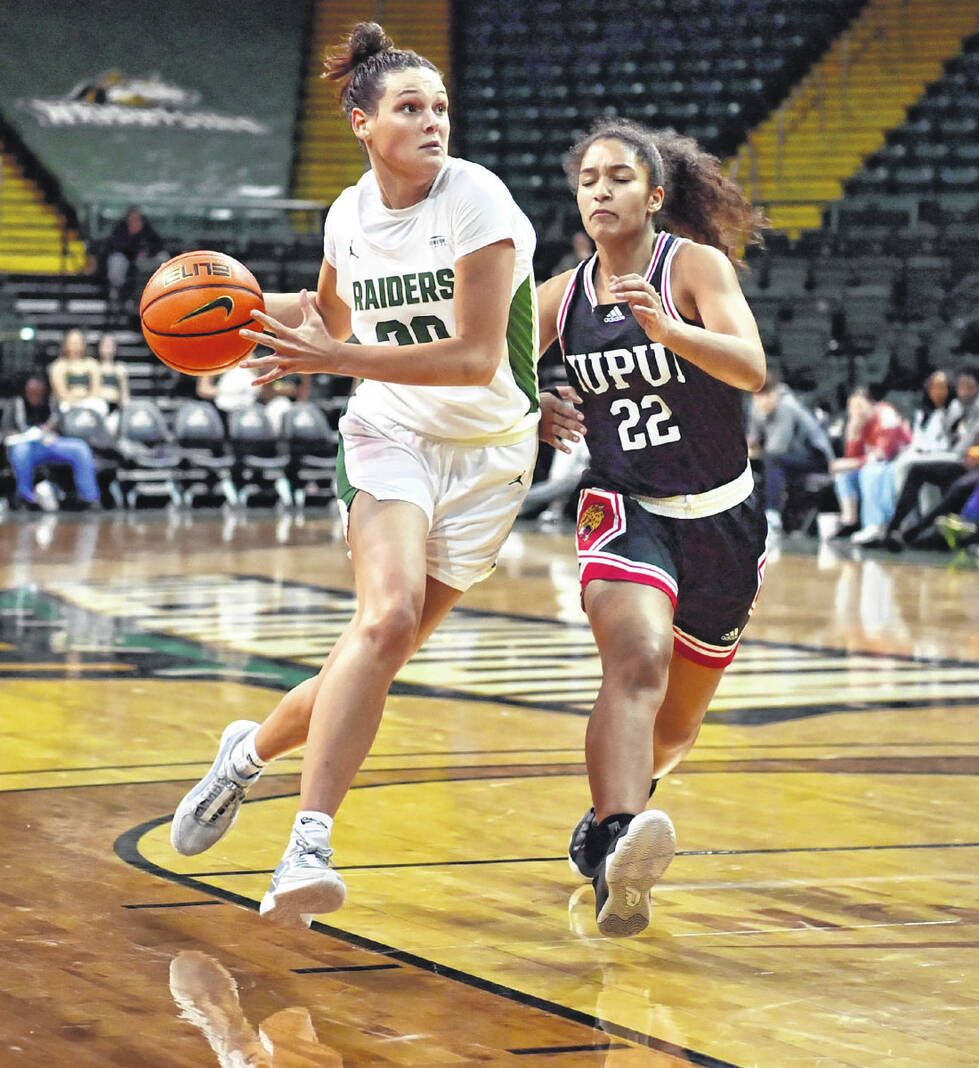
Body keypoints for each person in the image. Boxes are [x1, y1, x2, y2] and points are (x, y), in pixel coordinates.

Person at [169, 23, 538, 927]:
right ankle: (308, 845)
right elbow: (330, 317)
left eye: (440, 107)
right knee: (386, 616)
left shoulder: (475, 199)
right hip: (390, 432)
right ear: (362, 123)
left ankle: (245, 756)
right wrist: (230, 313)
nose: (432, 122)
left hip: (490, 455)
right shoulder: (346, 214)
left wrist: (334, 355)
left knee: (372, 656)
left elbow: (475, 358)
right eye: (409, 108)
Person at [536, 118, 768, 936]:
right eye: (588, 178)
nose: (600, 189)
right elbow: (479, 378)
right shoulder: (559, 299)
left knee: (675, 728)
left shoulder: (692, 267)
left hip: (723, 519)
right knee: (634, 661)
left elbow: (750, 366)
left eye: (619, 178)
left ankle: (623, 812)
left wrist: (669, 331)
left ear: (655, 196)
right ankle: (615, 846)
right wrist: (529, 408)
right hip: (622, 508)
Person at [882, 366, 979, 550]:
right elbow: (948, 437)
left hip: (965, 461)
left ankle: (914, 531)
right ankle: (894, 527)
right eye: (961, 386)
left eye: (969, 386)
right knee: (915, 470)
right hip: (955, 457)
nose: (964, 390)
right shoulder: (956, 407)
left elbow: (964, 447)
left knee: (958, 486)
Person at [748, 371, 835, 534]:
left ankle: (773, 514)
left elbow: (776, 449)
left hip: (816, 457)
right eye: (758, 396)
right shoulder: (755, 407)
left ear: (775, 392)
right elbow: (753, 439)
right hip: (789, 457)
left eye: (767, 395)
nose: (762, 401)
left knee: (772, 460)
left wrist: (754, 451)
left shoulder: (786, 406)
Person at [2, 374, 101, 511]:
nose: (35, 396)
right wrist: (22, 435)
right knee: (20, 452)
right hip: (26, 445)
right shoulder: (15, 404)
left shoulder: (53, 403)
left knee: (80, 448)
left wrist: (51, 432)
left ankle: (89, 497)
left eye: (38, 393)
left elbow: (61, 426)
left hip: (49, 443)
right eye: (31, 392)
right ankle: (25, 497)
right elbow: (7, 431)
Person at [830, 387, 910, 544]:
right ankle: (850, 521)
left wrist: (853, 463)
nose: (856, 411)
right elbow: (852, 456)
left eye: (860, 406)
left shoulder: (886, 415)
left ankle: (875, 524)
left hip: (897, 460)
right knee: (844, 474)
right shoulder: (859, 423)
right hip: (876, 462)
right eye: (852, 408)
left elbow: (884, 453)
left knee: (870, 472)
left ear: (871, 403)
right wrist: (853, 433)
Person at [103, 205, 167, 307]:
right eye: (132, 219)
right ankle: (117, 291)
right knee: (117, 261)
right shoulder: (121, 229)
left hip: (144, 263)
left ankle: (161, 290)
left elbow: (158, 246)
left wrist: (146, 251)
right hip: (125, 262)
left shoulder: (147, 230)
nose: (135, 222)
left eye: (137, 219)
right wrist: (133, 251)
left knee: (163, 257)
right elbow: (115, 247)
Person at [47, 328, 106, 415]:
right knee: (65, 407)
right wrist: (75, 402)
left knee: (100, 406)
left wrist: (85, 403)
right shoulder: (58, 366)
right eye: (73, 343)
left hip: (88, 402)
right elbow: (60, 392)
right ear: (66, 344)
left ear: (84, 344)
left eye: (78, 342)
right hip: (67, 403)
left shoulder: (92, 364)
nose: (76, 346)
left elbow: (96, 390)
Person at [95, 332, 130, 429]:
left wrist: (125, 407)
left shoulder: (120, 368)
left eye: (110, 345)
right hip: (98, 406)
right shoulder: (94, 367)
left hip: (114, 407)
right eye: (104, 345)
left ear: (115, 348)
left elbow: (124, 393)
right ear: (99, 347)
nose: (107, 348)